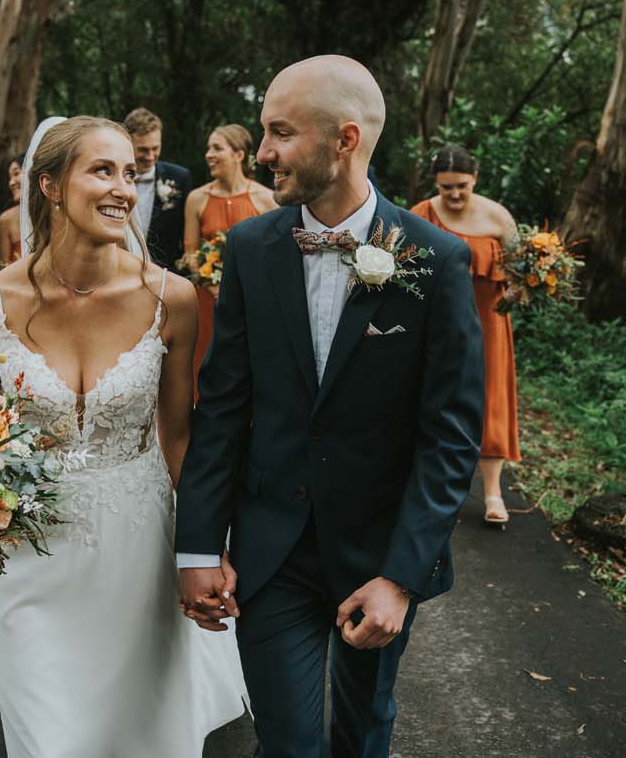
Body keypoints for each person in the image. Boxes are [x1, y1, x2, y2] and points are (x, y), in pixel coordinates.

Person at [175, 56, 486, 758]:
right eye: (262, 132)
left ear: (344, 140)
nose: (263, 153)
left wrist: (401, 578)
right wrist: (198, 545)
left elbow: (451, 436)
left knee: (362, 730)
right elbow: (220, 408)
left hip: (378, 553)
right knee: (286, 744)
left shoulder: (435, 259)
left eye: (280, 132)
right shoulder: (251, 249)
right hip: (272, 548)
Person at [0, 116, 247, 758]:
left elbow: (177, 436)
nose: (124, 188)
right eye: (103, 170)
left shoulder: (171, 298)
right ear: (51, 186)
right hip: (28, 560)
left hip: (140, 552)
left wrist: (207, 548)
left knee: (145, 737)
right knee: (46, 739)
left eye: (129, 173)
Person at [410, 145, 520, 523]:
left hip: (489, 321)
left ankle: (492, 493)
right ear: (435, 185)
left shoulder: (498, 216)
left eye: (461, 186)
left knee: (491, 399)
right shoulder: (421, 214)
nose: (454, 195)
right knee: (435, 395)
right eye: (446, 188)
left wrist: (527, 286)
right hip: (438, 320)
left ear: (475, 179)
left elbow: (522, 268)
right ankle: (436, 488)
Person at [182, 124, 276, 382]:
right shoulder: (196, 198)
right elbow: (190, 252)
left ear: (239, 155)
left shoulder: (268, 199)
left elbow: (274, 257)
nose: (208, 155)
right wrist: (210, 282)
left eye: (217, 148)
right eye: (208, 148)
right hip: (207, 299)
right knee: (204, 364)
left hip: (252, 299)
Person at [123, 106, 192, 271]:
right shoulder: (113, 179)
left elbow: (186, 235)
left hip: (165, 273)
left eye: (156, 148)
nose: (150, 156)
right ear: (127, 142)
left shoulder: (180, 178)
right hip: (120, 270)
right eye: (143, 150)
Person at [0, 154, 25, 265]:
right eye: (10, 178)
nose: (11, 183)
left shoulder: (57, 212)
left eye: (16, 174)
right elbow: (4, 267)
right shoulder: (6, 220)